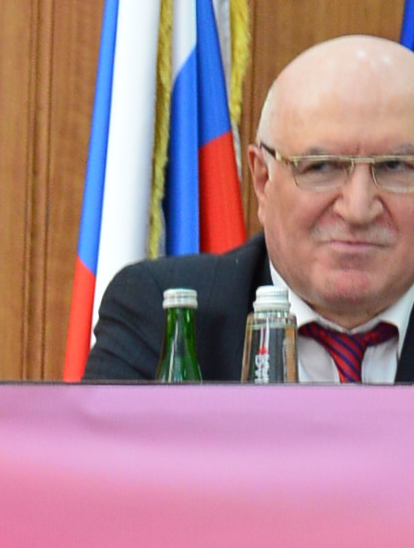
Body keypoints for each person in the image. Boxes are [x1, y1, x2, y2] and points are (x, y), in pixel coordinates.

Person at [84, 33, 414, 382]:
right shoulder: (161, 313)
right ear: (262, 180)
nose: (358, 210)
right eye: (322, 167)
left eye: (396, 167)